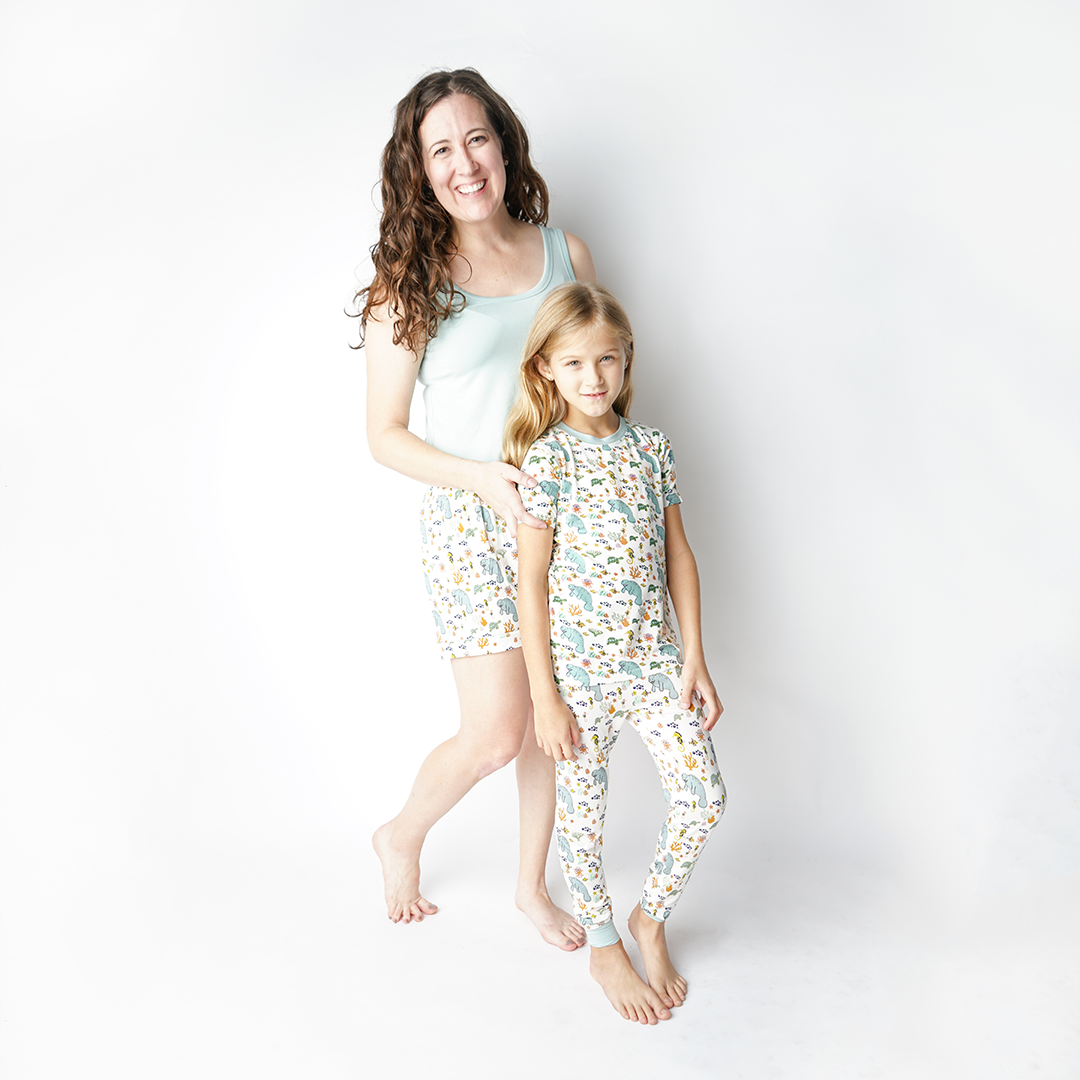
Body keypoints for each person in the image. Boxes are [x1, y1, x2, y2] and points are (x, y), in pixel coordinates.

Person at [358, 68, 596, 949]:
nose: (465, 163)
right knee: (496, 733)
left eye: (478, 138)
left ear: (505, 143)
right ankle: (401, 833)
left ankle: (532, 887)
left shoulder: (567, 254)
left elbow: (593, 383)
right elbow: (384, 434)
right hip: (472, 524)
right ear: (418, 170)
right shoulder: (408, 282)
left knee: (549, 720)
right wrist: (483, 477)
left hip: (568, 522)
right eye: (441, 149)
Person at [505, 281, 727, 1024]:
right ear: (546, 371)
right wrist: (544, 694)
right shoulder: (549, 461)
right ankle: (604, 941)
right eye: (574, 364)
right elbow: (529, 584)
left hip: (655, 664)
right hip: (579, 676)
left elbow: (680, 558)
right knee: (584, 816)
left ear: (627, 360)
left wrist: (694, 658)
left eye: (607, 359)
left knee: (704, 797)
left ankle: (649, 920)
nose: (594, 378)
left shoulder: (651, 448)